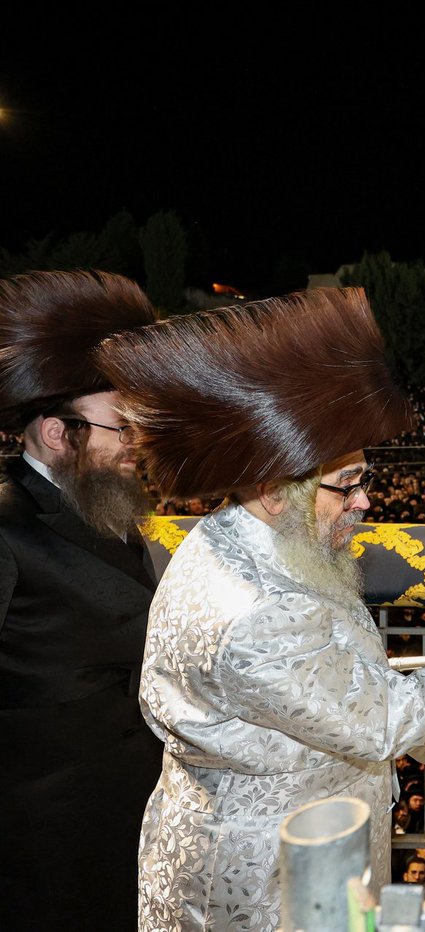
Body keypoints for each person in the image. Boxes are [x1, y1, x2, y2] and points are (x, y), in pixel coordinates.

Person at [97, 288, 425, 931]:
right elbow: (379, 719)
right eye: (347, 485)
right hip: (267, 882)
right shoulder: (254, 611)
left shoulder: (248, 535)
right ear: (272, 490)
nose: (365, 502)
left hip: (294, 844)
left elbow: (332, 670)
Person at [0, 270, 160, 930]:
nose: (137, 446)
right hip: (38, 852)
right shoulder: (6, 527)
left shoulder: (107, 511)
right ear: (58, 432)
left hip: (123, 824)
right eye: (121, 428)